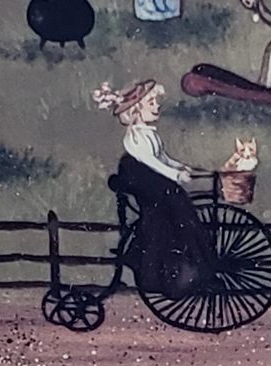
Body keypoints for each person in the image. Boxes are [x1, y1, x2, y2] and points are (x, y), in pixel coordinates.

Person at [92, 79, 216, 298]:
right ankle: (168, 268)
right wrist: (175, 175)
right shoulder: (136, 137)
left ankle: (195, 261)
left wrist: (181, 167)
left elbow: (162, 158)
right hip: (139, 176)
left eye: (156, 102)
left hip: (149, 174)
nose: (157, 106)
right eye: (151, 103)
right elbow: (151, 162)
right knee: (172, 199)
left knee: (176, 202)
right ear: (136, 110)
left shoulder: (149, 133)